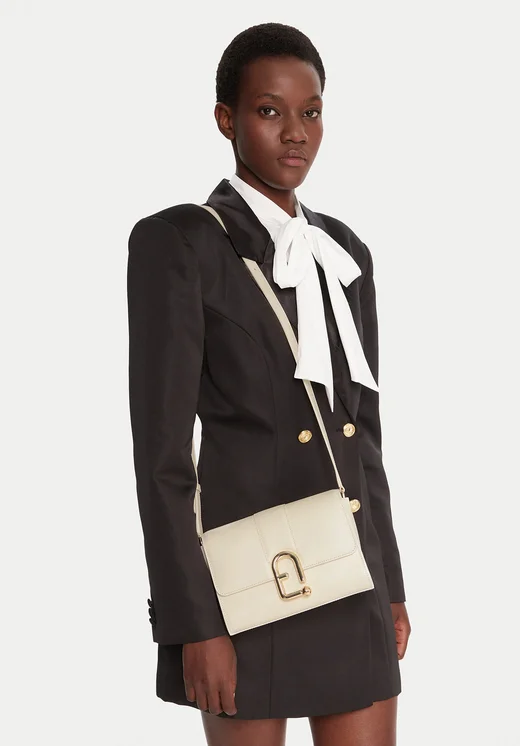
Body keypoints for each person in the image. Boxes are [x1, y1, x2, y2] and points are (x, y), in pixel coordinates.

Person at [127, 21, 411, 746]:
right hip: (248, 587)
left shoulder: (343, 252)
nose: (295, 133)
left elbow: (363, 437)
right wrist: (193, 623)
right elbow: (162, 458)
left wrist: (392, 584)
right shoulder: (181, 241)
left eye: (310, 112)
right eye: (268, 110)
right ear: (226, 119)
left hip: (353, 577)